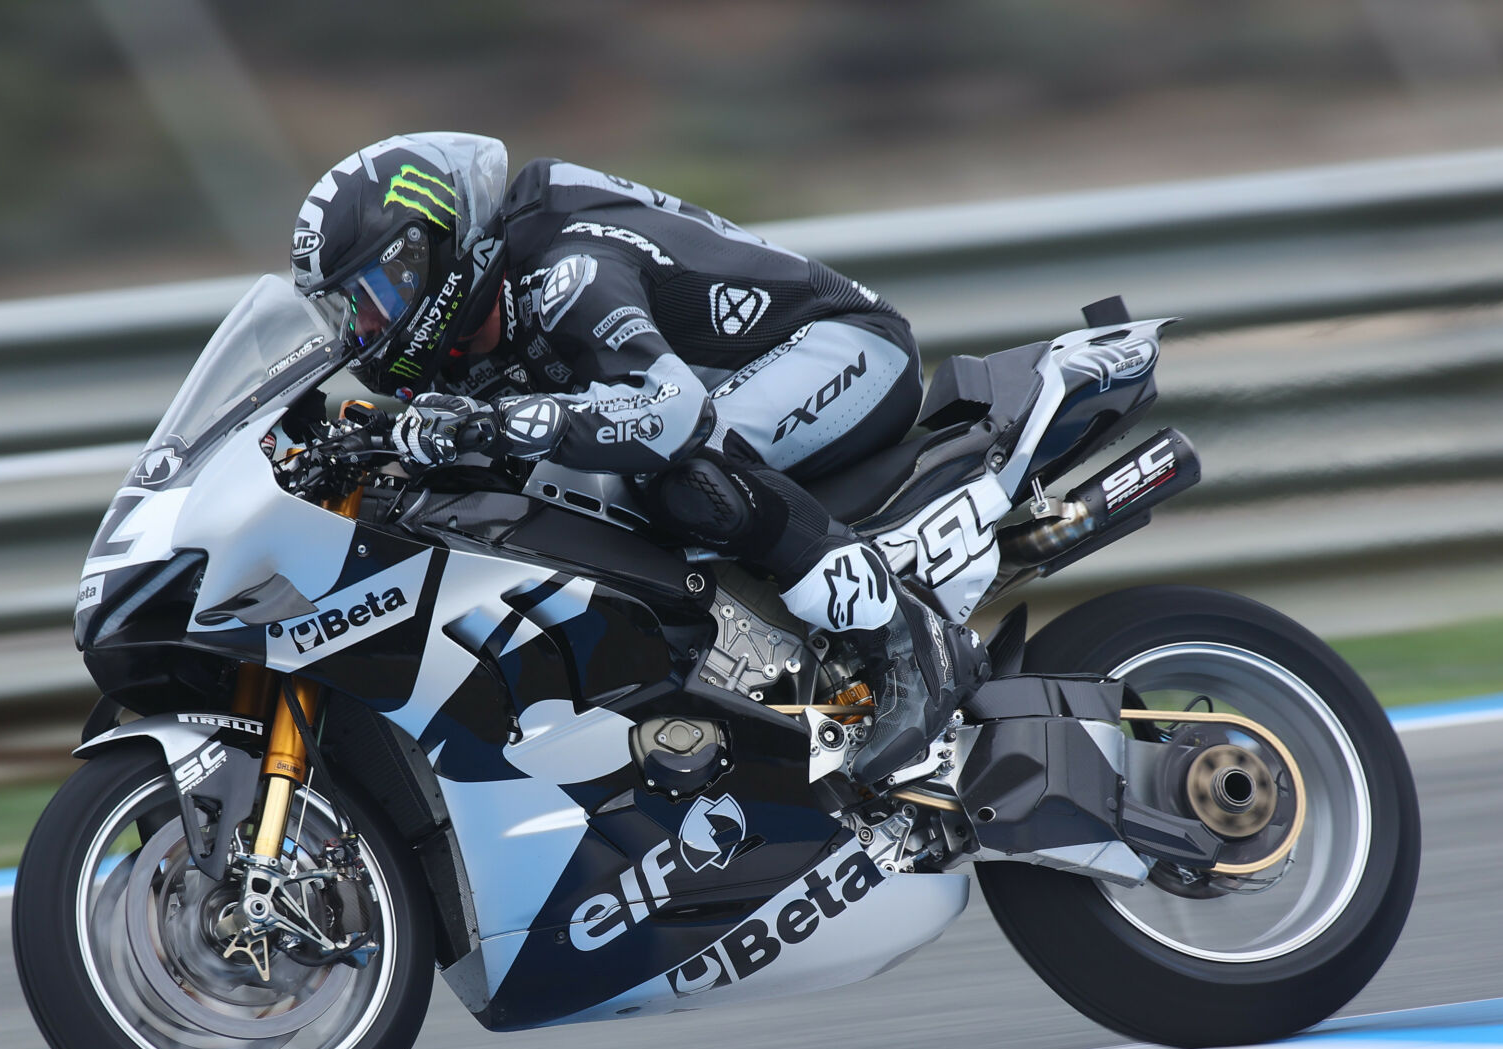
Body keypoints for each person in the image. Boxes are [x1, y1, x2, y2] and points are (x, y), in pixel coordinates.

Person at [290, 132, 985, 786]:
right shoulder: (461, 339)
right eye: (344, 313)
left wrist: (495, 422)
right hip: (724, 392)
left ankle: (902, 646)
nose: (365, 329)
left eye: (371, 296)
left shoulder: (568, 269)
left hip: (846, 348)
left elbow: (672, 411)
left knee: (673, 472)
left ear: (430, 255)